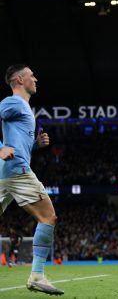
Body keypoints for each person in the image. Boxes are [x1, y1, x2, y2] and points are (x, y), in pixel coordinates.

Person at [0, 64, 64, 295]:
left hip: (5, 173)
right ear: (19, 80)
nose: (35, 78)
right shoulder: (14, 102)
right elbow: (8, 147)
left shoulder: (23, 107)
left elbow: (16, 144)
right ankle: (37, 274)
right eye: (31, 75)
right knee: (48, 217)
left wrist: (35, 144)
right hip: (17, 171)